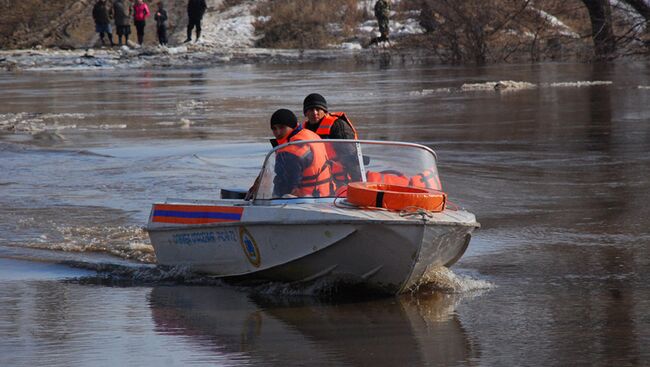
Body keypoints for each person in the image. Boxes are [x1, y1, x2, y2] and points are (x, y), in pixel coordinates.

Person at [301, 93, 361, 188]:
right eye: (311, 110)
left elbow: (351, 156)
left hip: (342, 181)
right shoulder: (304, 130)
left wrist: (357, 182)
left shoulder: (337, 126)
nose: (315, 113)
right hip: (319, 181)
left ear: (324, 111)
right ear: (306, 113)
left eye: (318, 109)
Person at [269, 109, 332, 198]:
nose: (278, 132)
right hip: (327, 196)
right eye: (274, 129)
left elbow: (283, 186)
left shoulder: (289, 151)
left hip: (305, 200)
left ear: (292, 126)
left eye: (282, 127)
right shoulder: (311, 135)